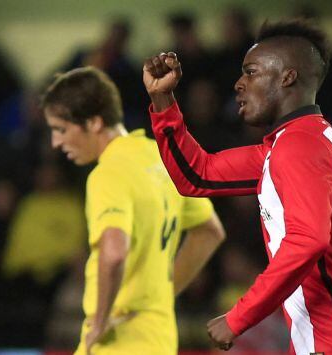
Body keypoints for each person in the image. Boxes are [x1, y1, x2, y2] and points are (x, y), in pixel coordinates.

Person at [144, 20, 332, 354]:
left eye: (251, 72)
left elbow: (308, 239)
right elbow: (197, 175)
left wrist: (239, 317)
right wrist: (163, 99)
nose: (238, 84)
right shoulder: (295, 143)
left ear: (287, 76)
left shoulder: (300, 146)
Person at [41, 66, 225, 354]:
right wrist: (162, 296)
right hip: (160, 336)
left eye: (61, 129)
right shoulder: (162, 157)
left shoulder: (107, 174)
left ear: (94, 123)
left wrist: (100, 322)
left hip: (119, 338)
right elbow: (210, 232)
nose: (56, 142)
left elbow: (114, 253)